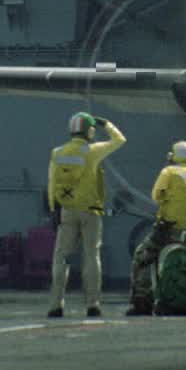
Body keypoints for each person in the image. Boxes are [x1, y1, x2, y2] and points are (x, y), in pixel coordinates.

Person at [46, 112, 127, 319]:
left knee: (61, 257)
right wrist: (106, 123)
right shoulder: (92, 151)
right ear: (89, 131)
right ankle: (93, 305)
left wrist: (53, 209)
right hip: (90, 211)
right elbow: (120, 140)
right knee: (91, 256)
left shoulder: (57, 152)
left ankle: (56, 305)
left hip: (66, 210)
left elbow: (52, 183)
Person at [128, 141, 186, 316]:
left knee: (143, 256)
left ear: (173, 156)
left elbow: (156, 196)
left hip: (168, 230)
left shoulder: (169, 172)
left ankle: (142, 302)